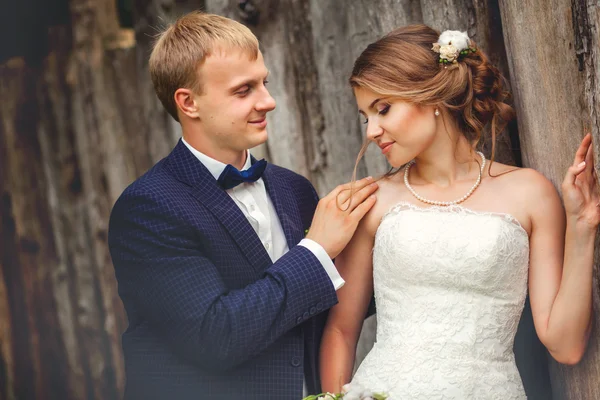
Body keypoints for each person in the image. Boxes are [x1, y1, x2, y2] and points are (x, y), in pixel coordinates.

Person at [107, 11, 378, 400]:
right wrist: (317, 250)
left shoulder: (293, 189)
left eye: (264, 83)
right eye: (243, 90)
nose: (268, 101)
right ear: (189, 102)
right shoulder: (148, 208)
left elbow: (325, 306)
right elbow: (214, 336)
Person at [320, 25, 597, 399]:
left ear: (431, 97)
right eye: (365, 116)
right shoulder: (374, 201)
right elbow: (340, 330)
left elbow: (565, 346)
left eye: (383, 109)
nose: (372, 130)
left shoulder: (530, 193)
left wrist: (582, 225)